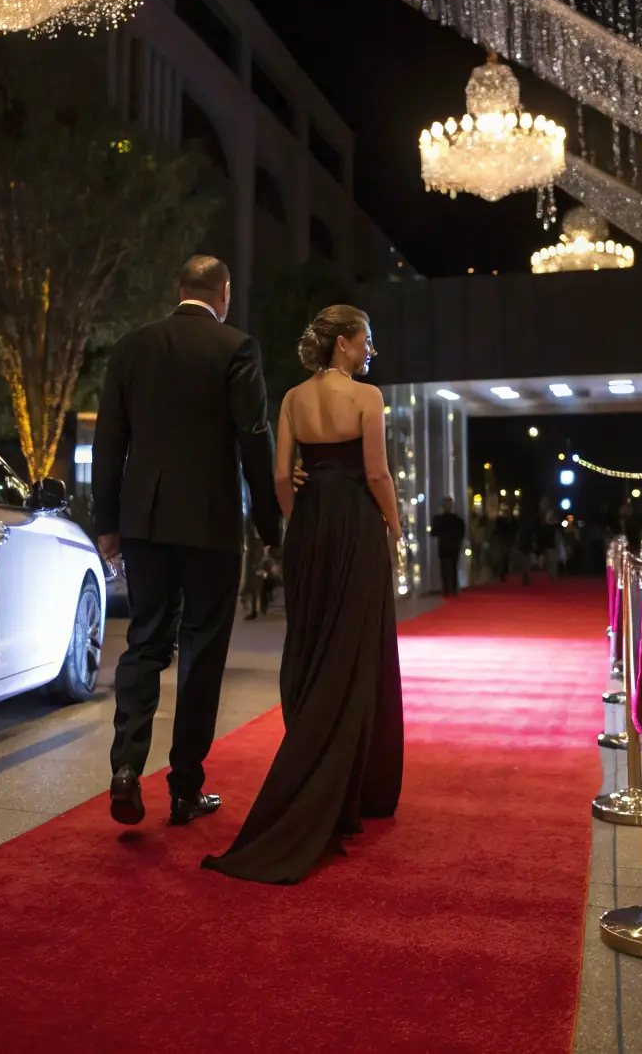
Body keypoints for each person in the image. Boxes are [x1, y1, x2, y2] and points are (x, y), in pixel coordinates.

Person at [202, 304, 404, 884]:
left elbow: (278, 477)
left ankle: (321, 768)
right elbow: (376, 474)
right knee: (353, 651)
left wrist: (301, 522)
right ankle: (340, 786)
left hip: (310, 529)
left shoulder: (291, 398)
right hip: (356, 527)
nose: (369, 349)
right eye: (365, 339)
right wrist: (394, 527)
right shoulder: (367, 397)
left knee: (313, 646)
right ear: (343, 343)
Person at [93, 255, 280, 829]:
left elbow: (110, 439)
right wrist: (269, 523)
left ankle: (126, 768)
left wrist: (107, 522)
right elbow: (253, 436)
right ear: (223, 293)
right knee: (202, 650)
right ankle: (184, 789)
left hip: (145, 521)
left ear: (181, 290)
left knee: (144, 641)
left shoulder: (133, 346)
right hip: (210, 522)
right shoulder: (236, 348)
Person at [431, 497, 466, 595]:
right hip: (453, 546)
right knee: (453, 567)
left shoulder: (439, 519)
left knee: (445, 568)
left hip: (444, 546)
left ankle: (447, 589)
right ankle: (453, 589)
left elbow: (434, 532)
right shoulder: (457, 520)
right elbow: (462, 533)